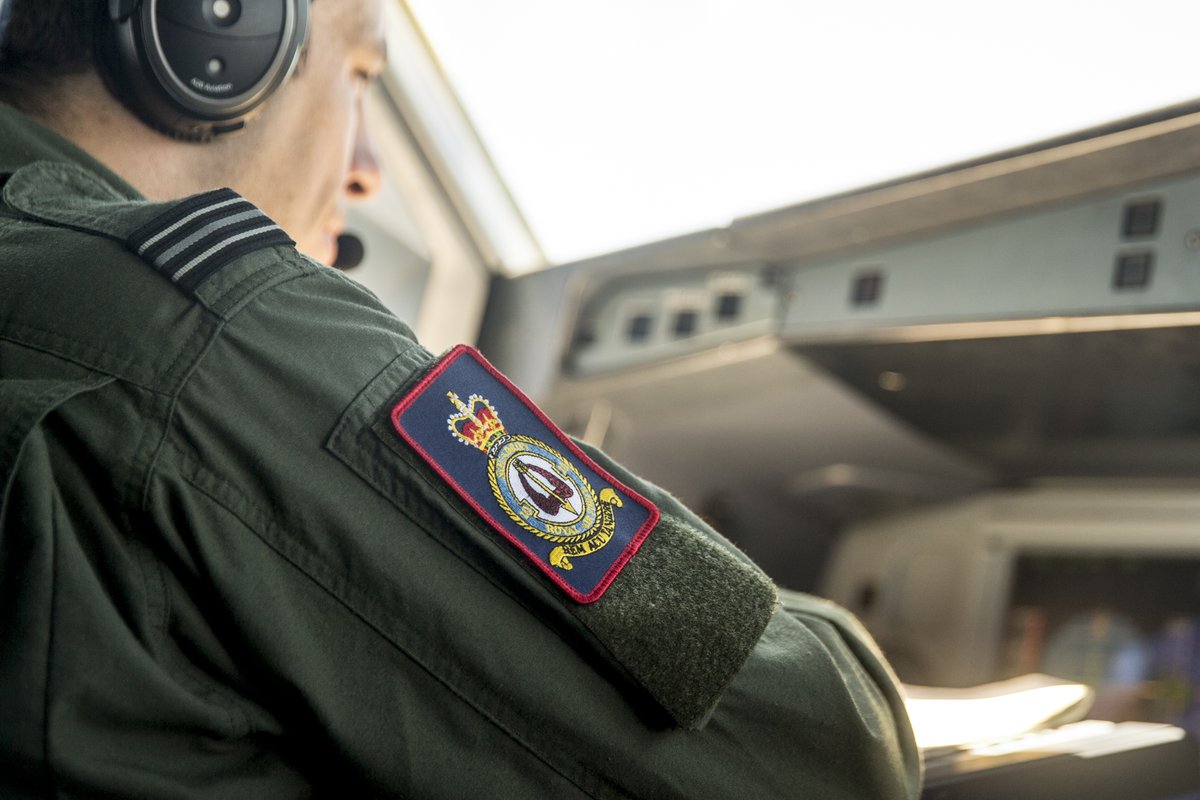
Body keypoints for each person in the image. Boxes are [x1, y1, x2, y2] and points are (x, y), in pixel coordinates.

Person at [0, 0, 921, 797]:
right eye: (359, 73)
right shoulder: (204, 329)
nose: (366, 168)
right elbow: (827, 751)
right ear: (215, 32)